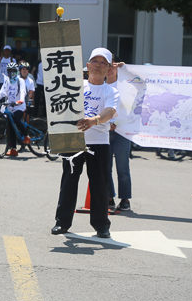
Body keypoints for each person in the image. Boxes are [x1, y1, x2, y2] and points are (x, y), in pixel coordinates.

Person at [51, 47, 119, 239]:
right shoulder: (74, 86)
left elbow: (110, 112)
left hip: (99, 142)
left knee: (100, 184)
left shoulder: (110, 90)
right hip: (73, 140)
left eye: (103, 63)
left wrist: (94, 120)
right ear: (87, 65)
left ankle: (101, 225)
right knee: (69, 182)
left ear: (108, 69)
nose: (98, 65)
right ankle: (62, 222)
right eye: (95, 62)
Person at [106, 58, 132, 212]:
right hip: (104, 131)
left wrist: (126, 68)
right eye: (107, 66)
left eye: (112, 66)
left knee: (123, 167)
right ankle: (109, 198)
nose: (109, 69)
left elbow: (143, 84)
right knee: (105, 167)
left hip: (122, 131)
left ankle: (125, 199)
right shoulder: (100, 87)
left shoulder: (125, 85)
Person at [0, 61, 29, 157]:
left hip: (19, 106)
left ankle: (26, 135)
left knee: (16, 120)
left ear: (16, 71)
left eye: (13, 71)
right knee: (10, 127)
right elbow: (2, 93)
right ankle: (13, 149)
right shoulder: (7, 81)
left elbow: (22, 91)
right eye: (9, 71)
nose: (11, 73)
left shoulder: (20, 80)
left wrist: (20, 100)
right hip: (10, 106)